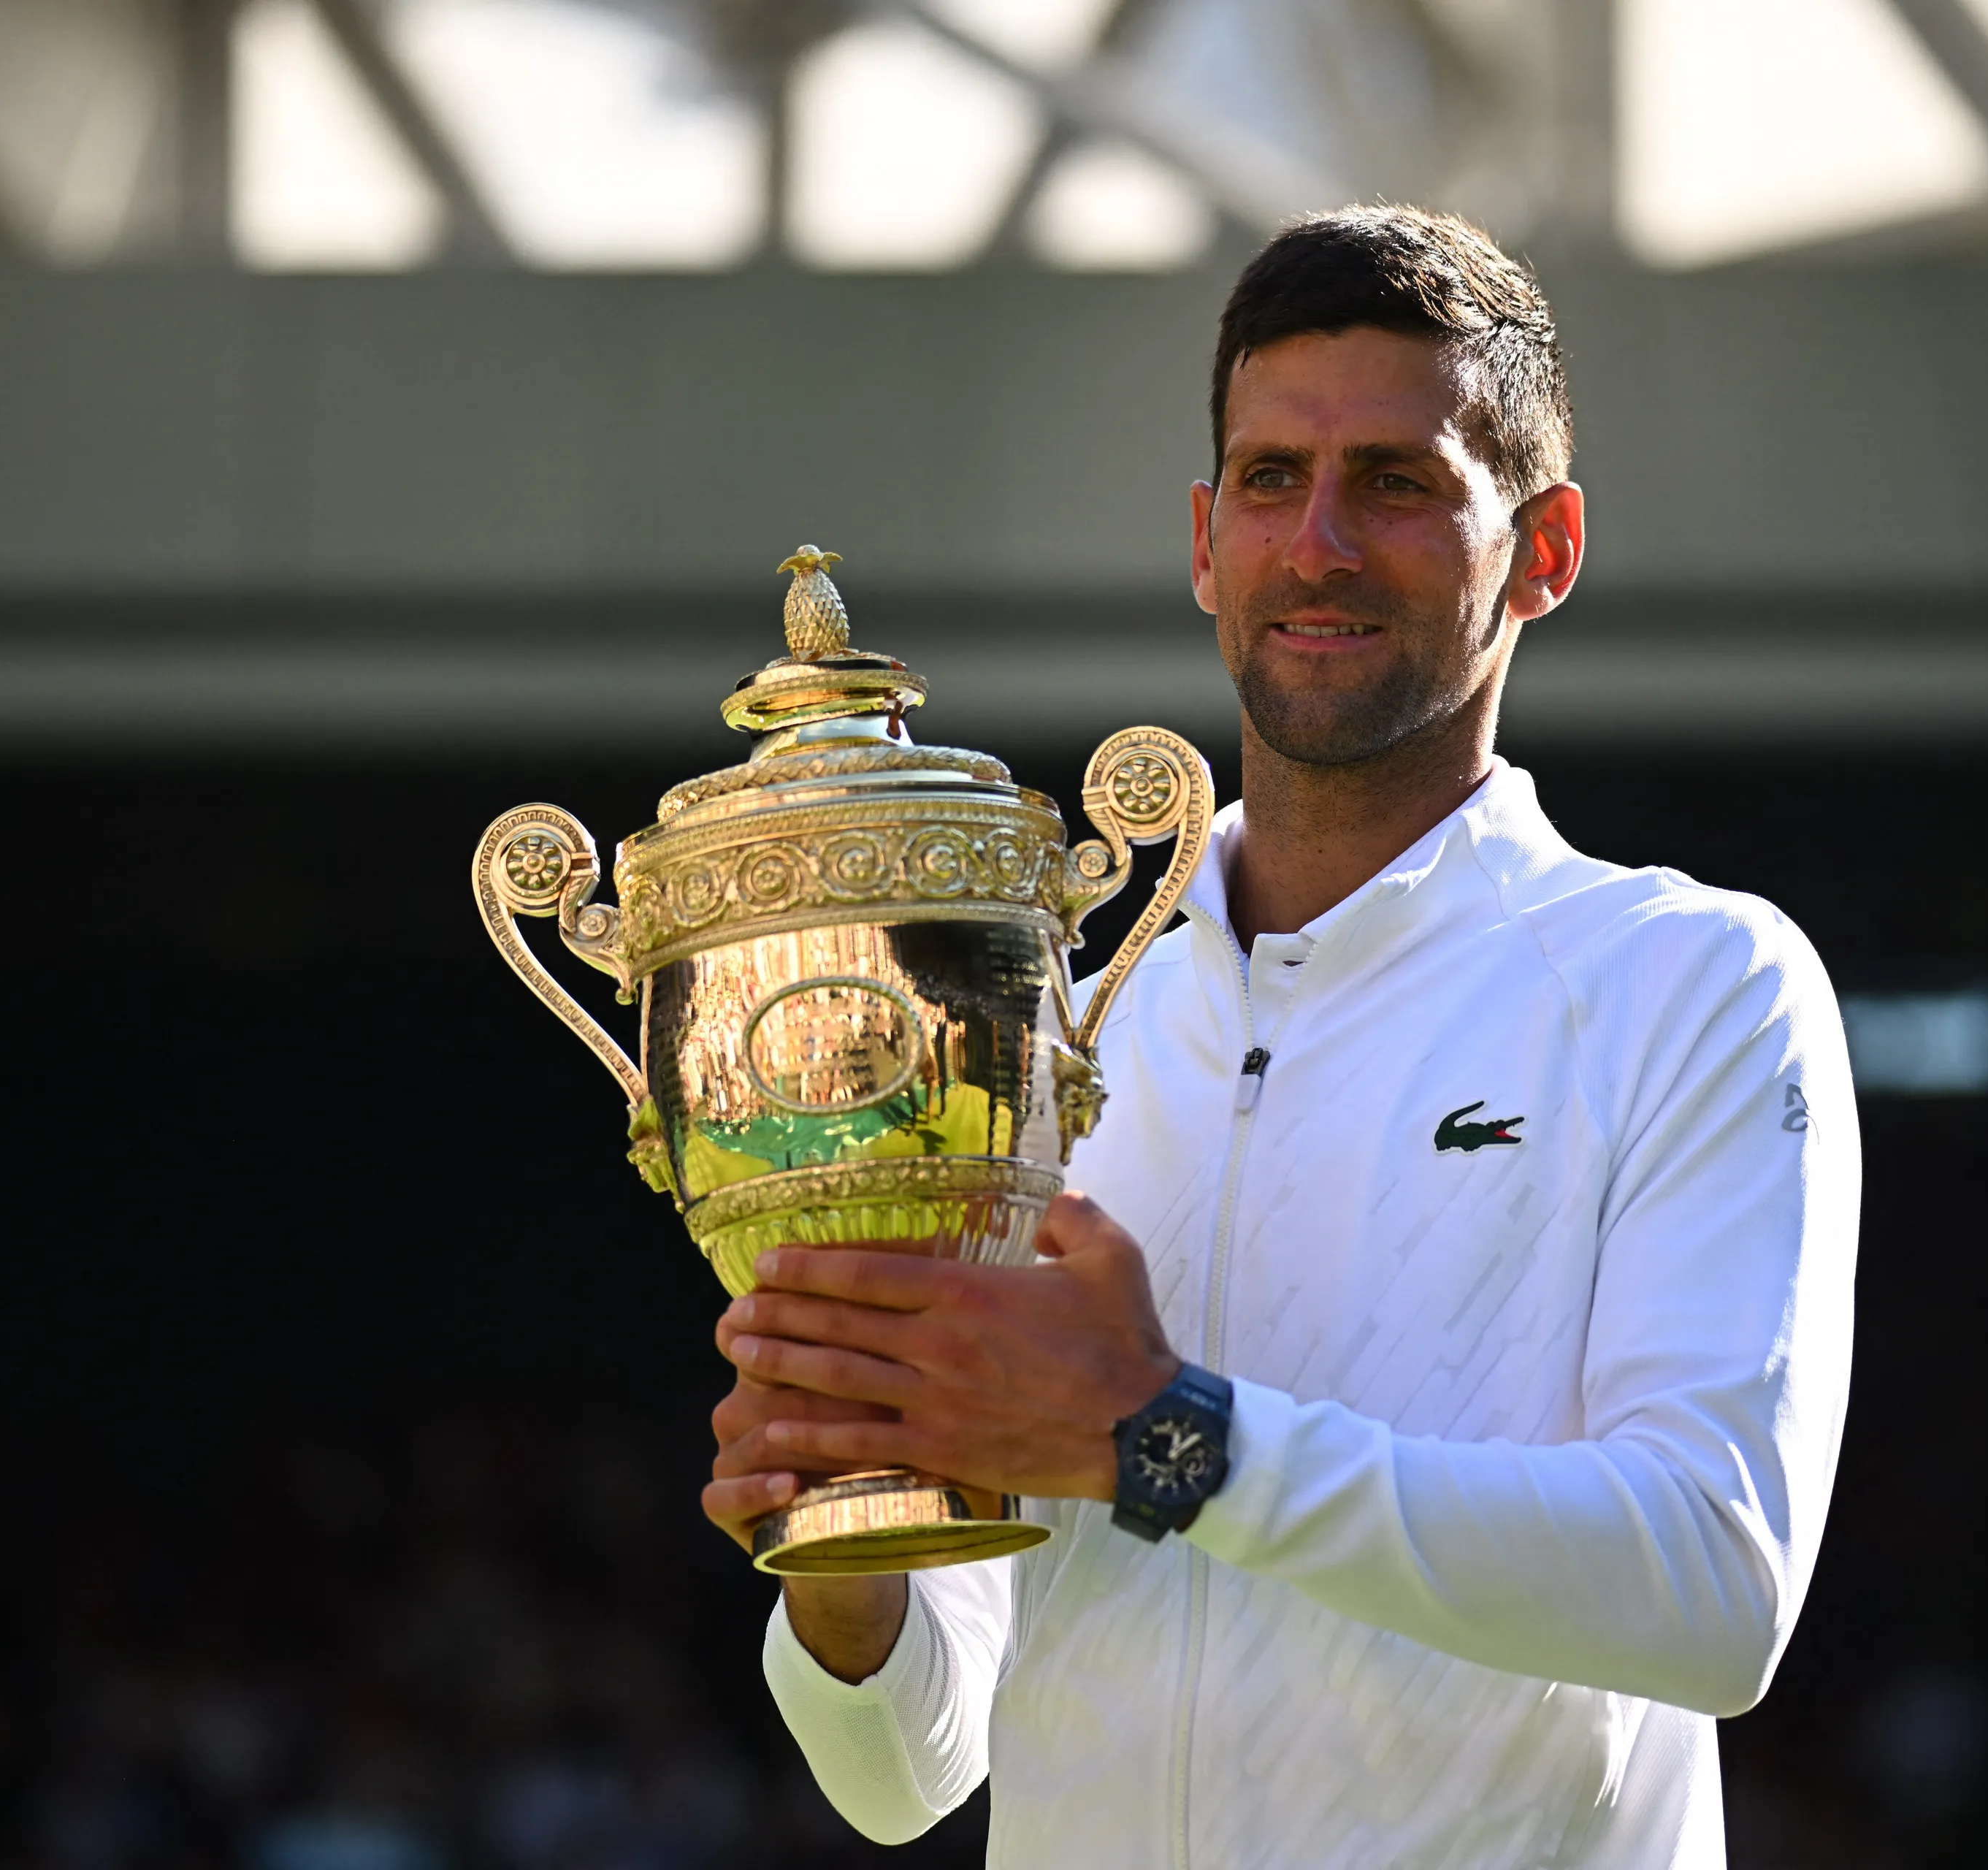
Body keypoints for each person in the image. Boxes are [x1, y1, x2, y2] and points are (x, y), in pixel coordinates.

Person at [700, 205, 1860, 1868]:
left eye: (1396, 480)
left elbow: (1711, 1585)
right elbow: (907, 1768)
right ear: (1202, 540)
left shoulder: (1693, 981)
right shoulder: (1037, 1031)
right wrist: (850, 1554)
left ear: (1546, 549)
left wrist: (1168, 1439)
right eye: (1270, 479)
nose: (1319, 542)